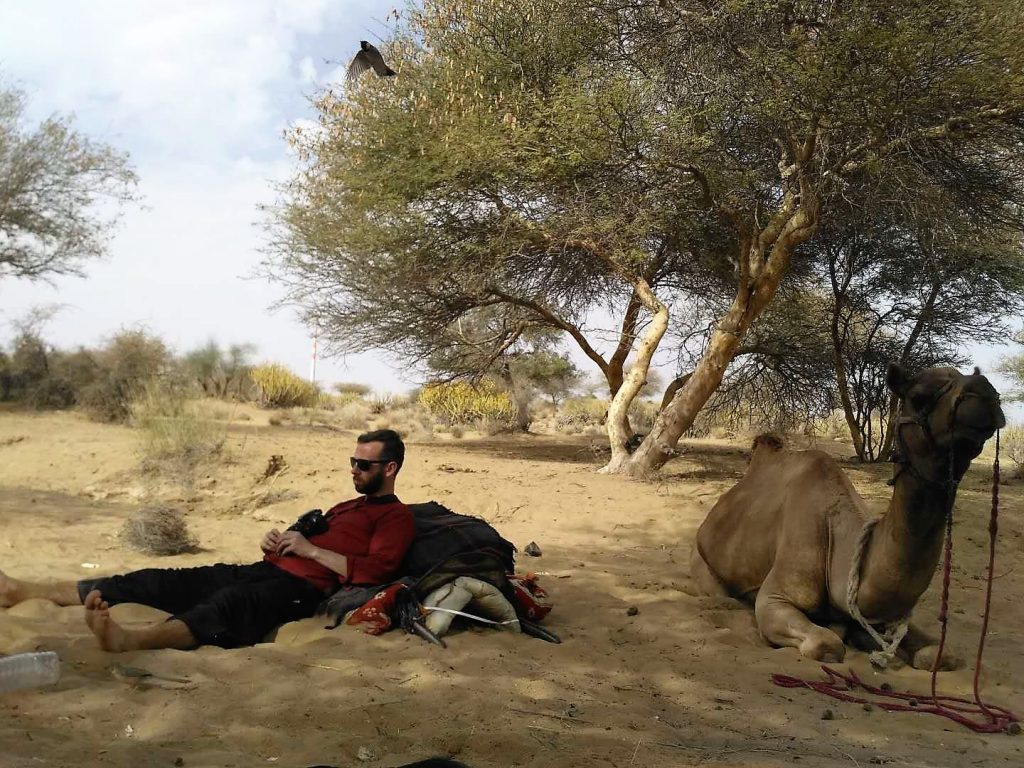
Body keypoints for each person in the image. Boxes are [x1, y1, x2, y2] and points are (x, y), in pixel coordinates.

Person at [0, 429, 414, 652]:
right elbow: (308, 542)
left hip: (300, 590)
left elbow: (378, 569)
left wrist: (309, 550)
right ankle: (24, 590)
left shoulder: (395, 516)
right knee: (165, 580)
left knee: (225, 607)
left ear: (390, 467)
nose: (354, 470)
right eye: (352, 462)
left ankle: (132, 641)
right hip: (266, 568)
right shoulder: (348, 506)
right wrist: (277, 542)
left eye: (363, 464)